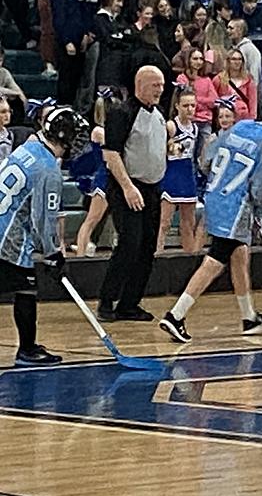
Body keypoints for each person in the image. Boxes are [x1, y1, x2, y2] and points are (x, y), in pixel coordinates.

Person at [159, 97, 262, 343]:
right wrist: (256, 208)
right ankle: (175, 315)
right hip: (235, 204)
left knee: (239, 254)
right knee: (215, 259)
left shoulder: (242, 126)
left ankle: (248, 316)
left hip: (214, 195)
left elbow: (207, 159)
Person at [0, 106, 88, 366]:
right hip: (8, 237)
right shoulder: (48, 169)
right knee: (26, 288)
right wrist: (52, 253)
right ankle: (27, 350)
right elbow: (43, 220)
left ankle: (28, 346)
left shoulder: (28, 147)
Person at [97, 65, 167, 322]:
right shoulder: (122, 112)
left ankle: (130, 303)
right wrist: (127, 187)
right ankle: (107, 299)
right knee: (129, 244)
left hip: (152, 189)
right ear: (140, 85)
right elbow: (111, 153)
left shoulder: (158, 114)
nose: (160, 90)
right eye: (155, 85)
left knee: (148, 247)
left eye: (161, 85)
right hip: (128, 187)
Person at [68, 86, 115, 257]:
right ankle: (80, 253)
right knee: (91, 220)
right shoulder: (99, 131)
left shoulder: (106, 131)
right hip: (104, 178)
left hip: (112, 177)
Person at [157, 85, 200, 253]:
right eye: (186, 105)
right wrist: (171, 147)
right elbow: (162, 149)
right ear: (177, 106)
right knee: (165, 222)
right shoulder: (171, 126)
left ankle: (189, 255)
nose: (190, 109)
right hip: (172, 173)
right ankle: (157, 253)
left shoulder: (195, 128)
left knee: (188, 221)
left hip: (187, 173)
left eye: (193, 105)